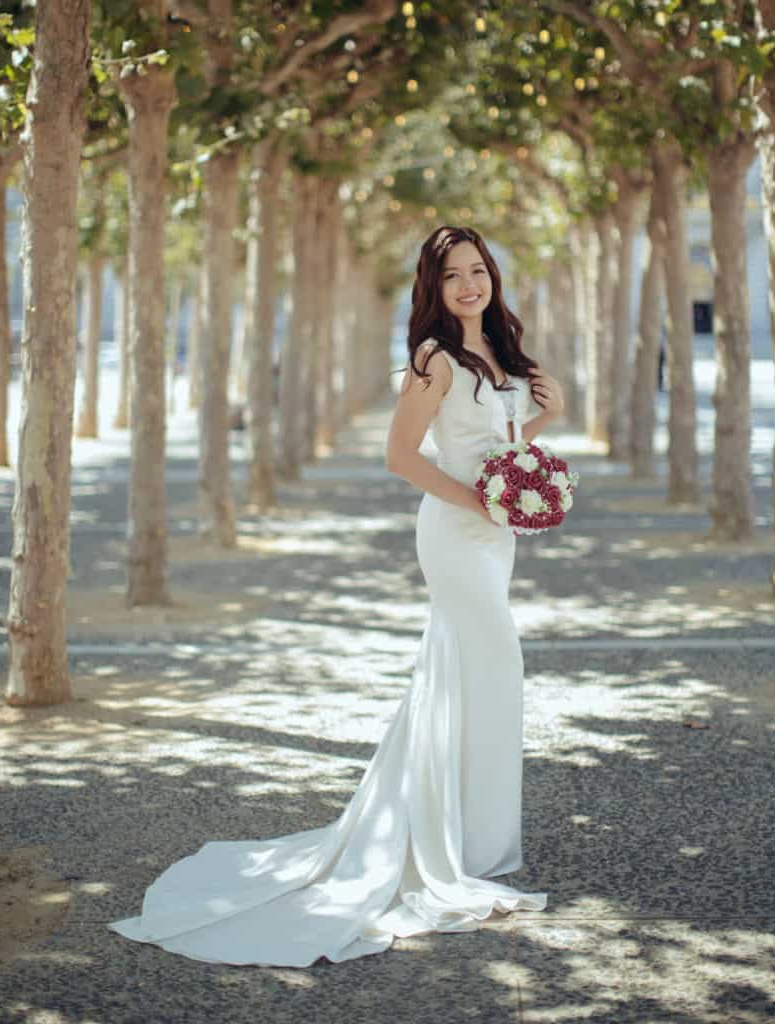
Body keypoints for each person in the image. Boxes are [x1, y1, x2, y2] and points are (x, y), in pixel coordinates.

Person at [108, 225, 564, 968]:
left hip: (493, 535)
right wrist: (481, 506)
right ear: (433, 288)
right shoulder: (433, 358)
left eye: (477, 271)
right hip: (454, 532)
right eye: (452, 277)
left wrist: (546, 424)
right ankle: (441, 842)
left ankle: (468, 837)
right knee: (493, 665)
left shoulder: (501, 352)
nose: (468, 286)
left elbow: (502, 447)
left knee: (465, 678)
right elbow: (399, 456)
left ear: (492, 277)